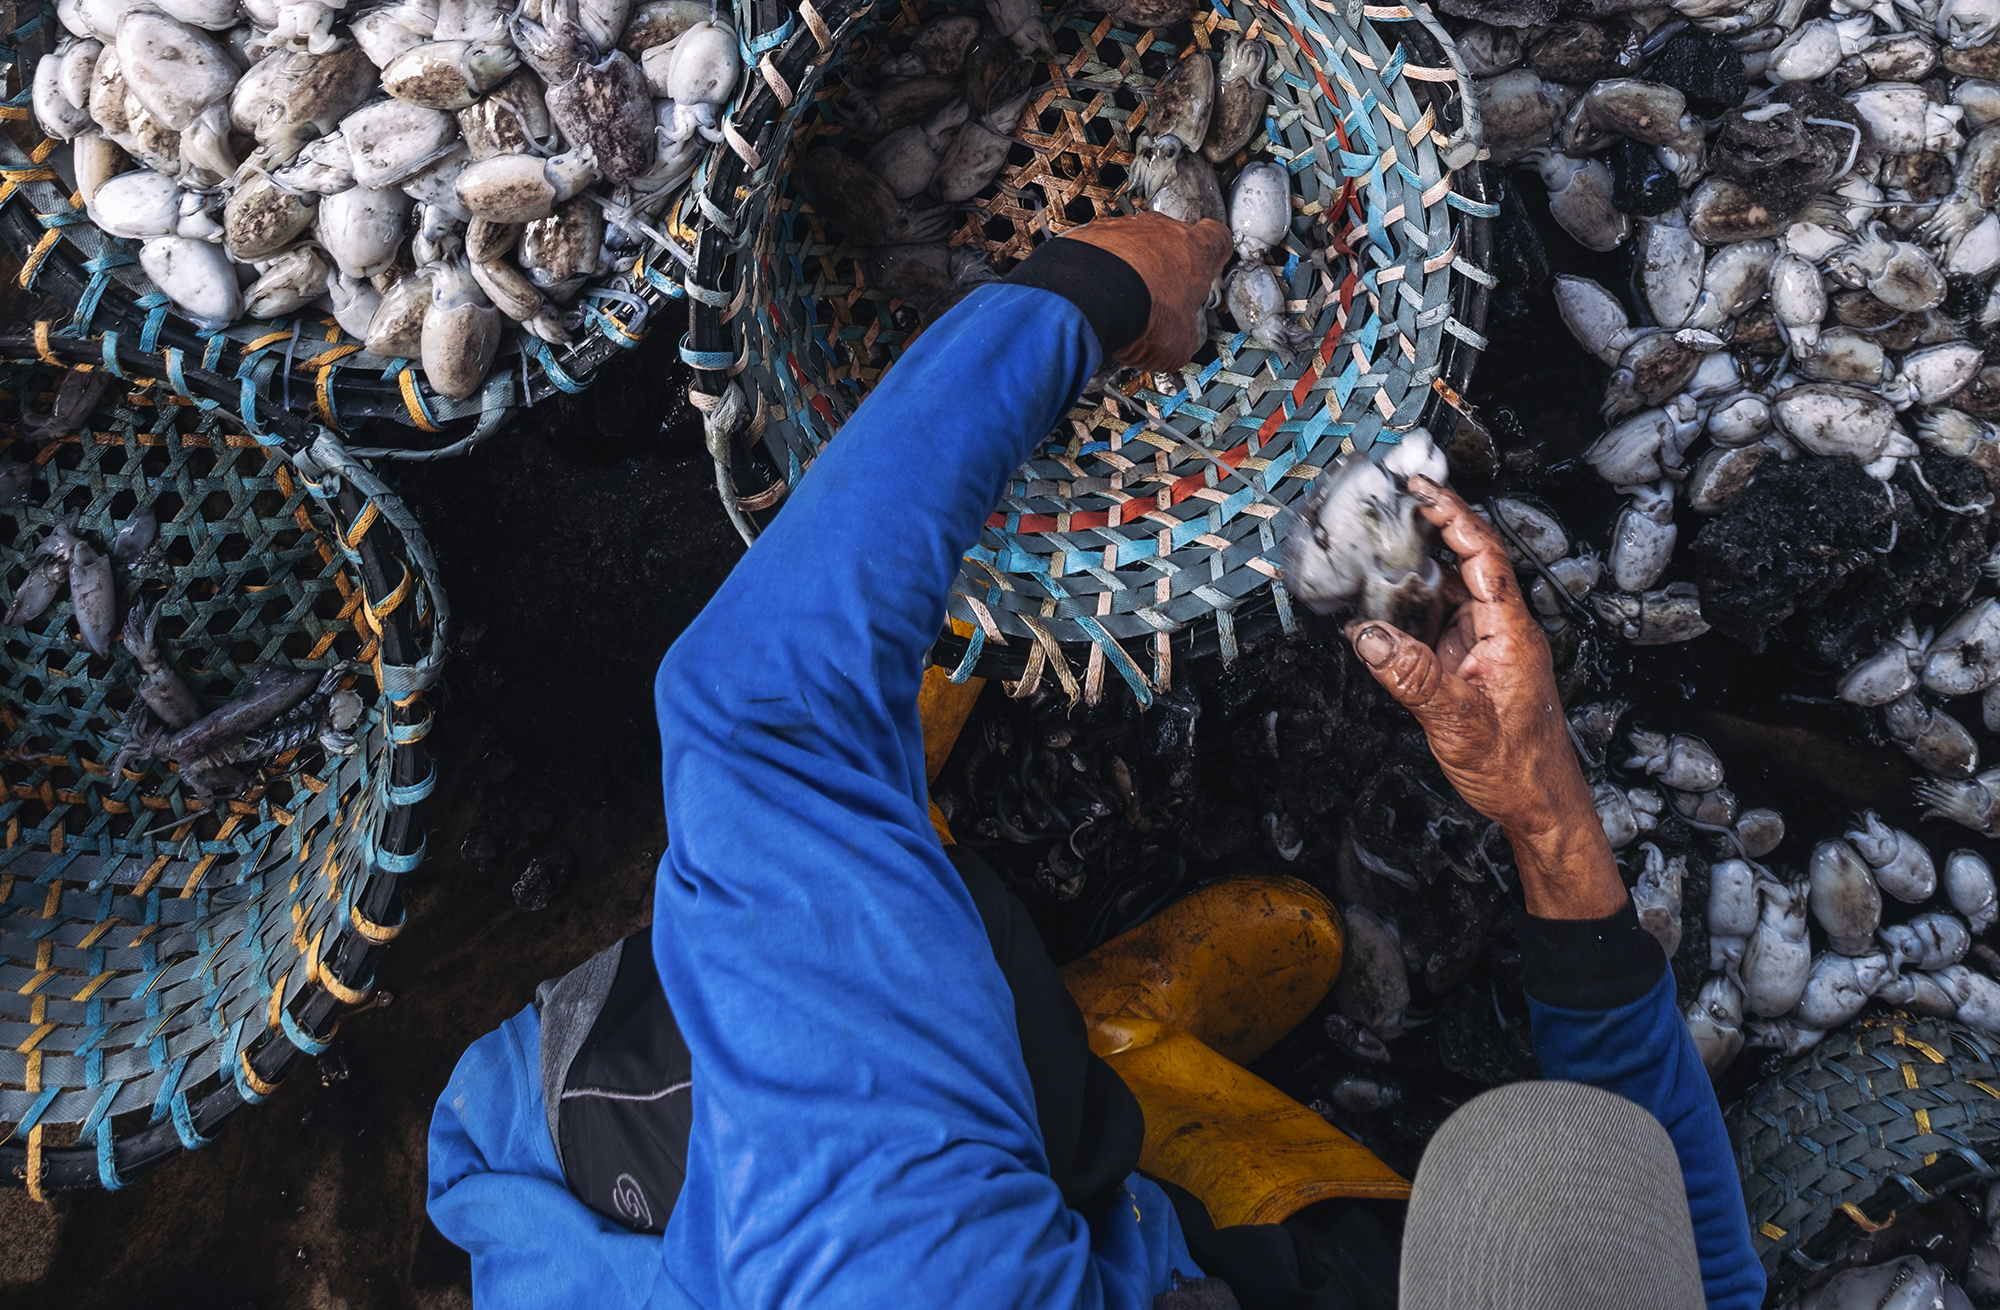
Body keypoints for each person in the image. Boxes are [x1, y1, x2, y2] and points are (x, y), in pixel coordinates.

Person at [429, 216, 1766, 1307]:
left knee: (855, 724)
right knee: (1337, 1205)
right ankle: (1075, 1044)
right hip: (1032, 1232)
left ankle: (1001, 1013)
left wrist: (1094, 285)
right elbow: (1673, 1248)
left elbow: (754, 714)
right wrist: (1536, 804)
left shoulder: (911, 1265)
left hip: (644, 1165)